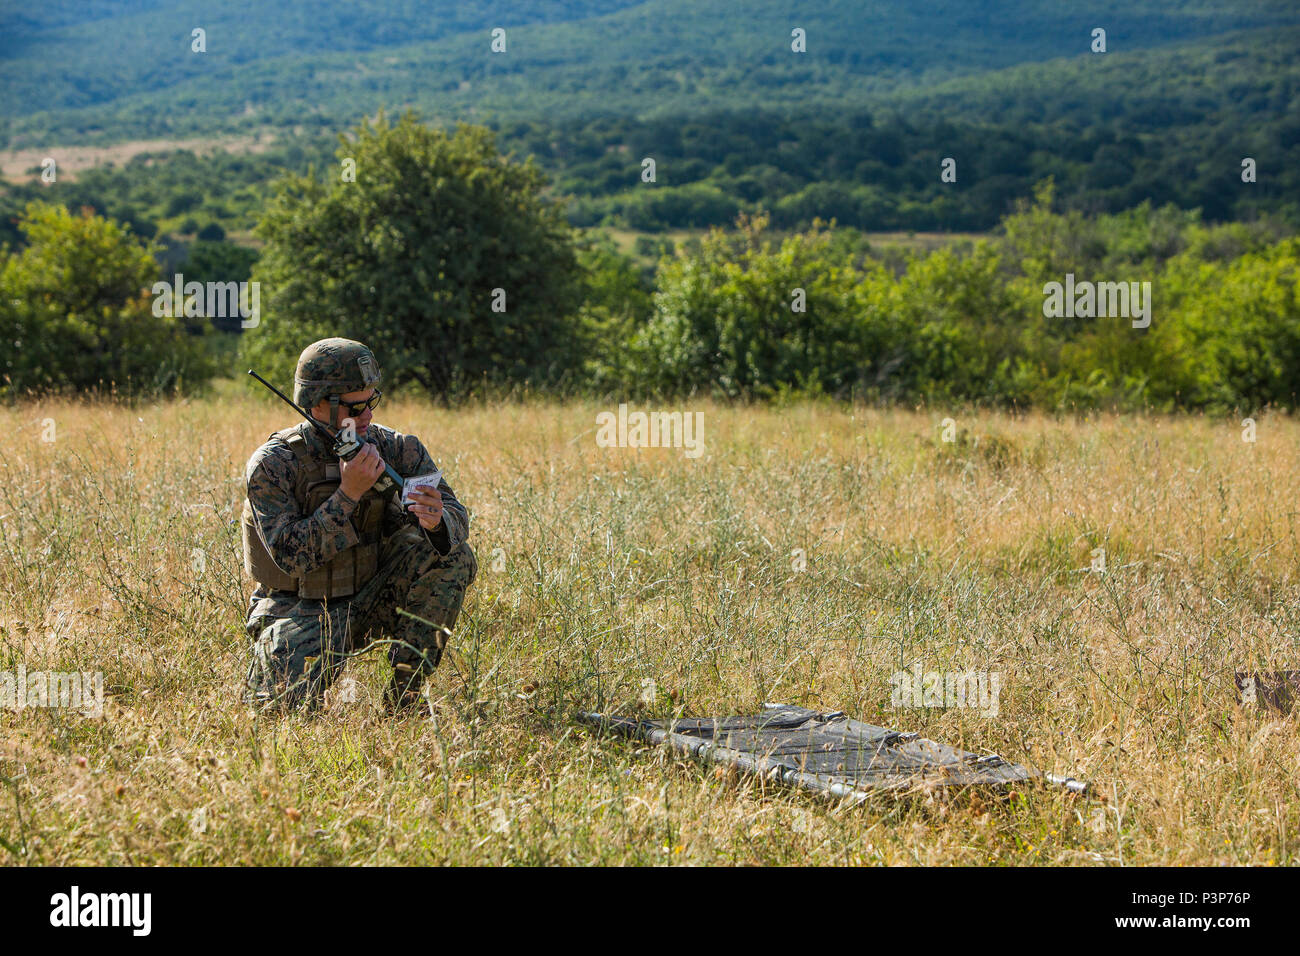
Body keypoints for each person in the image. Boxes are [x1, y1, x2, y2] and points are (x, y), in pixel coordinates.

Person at [240, 337, 477, 713]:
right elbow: (290, 558)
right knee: (277, 711)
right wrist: (347, 495)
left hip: (371, 597)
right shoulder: (274, 464)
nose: (367, 415)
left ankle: (407, 696)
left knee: (452, 556)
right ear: (318, 404)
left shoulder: (396, 447)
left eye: (372, 401)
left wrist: (437, 521)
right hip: (300, 609)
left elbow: (456, 514)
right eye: (355, 406)